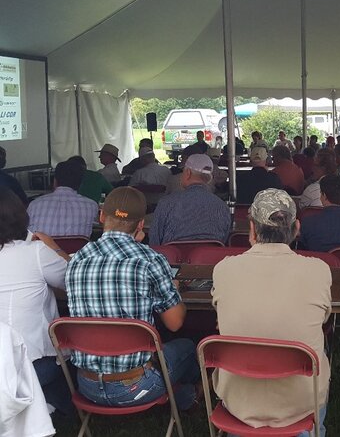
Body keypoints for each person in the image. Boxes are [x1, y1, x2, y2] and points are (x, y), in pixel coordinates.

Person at [66, 187, 200, 410]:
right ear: (140, 225)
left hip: (86, 385)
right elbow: (175, 323)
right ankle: (190, 395)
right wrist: (172, 288)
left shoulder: (77, 259)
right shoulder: (149, 259)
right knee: (187, 347)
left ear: (101, 215)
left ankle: (181, 394)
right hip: (134, 386)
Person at [212, 189, 331, 434]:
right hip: (301, 401)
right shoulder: (319, 271)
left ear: (252, 229)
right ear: (296, 228)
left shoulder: (224, 270)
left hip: (239, 401)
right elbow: (323, 319)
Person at [0, 187, 73, 416]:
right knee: (69, 353)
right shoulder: (36, 252)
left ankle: (43, 406)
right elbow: (73, 280)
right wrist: (55, 247)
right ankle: (57, 406)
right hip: (30, 367)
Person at [149, 154, 232, 245]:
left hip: (171, 258)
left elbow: (154, 242)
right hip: (211, 259)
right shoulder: (223, 207)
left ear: (188, 173)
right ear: (208, 178)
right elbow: (224, 241)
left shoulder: (166, 204)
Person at [28, 161, 97, 238]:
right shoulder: (91, 205)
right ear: (80, 184)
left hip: (42, 249)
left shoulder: (34, 204)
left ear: (55, 181)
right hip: (76, 250)